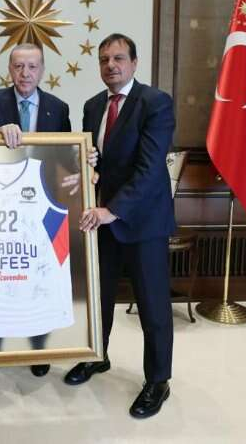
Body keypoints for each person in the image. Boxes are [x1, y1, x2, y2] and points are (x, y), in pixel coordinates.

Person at [65, 33, 176, 420]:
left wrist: (112, 210)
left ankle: (158, 381)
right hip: (102, 220)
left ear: (134, 63)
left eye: (118, 58)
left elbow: (149, 168)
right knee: (98, 297)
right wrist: (89, 166)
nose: (110, 65)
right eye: (104, 60)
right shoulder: (93, 105)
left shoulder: (155, 103)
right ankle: (97, 356)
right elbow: (97, 161)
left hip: (142, 221)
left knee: (152, 306)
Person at [0, 43, 71, 378]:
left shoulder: (58, 107)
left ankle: (38, 349)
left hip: (40, 207)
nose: (25, 73)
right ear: (9, 69)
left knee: (38, 279)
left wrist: (87, 159)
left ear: (42, 70)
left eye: (32, 66)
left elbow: (67, 157)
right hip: (0, 207)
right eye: (18, 66)